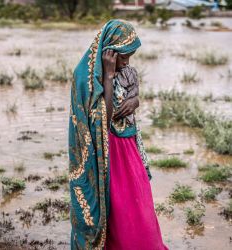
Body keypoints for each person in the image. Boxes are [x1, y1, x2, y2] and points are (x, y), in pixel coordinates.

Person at [68, 19, 168, 250]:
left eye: (130, 56)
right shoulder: (86, 78)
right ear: (108, 51)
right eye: (123, 56)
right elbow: (104, 117)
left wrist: (135, 101)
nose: (127, 62)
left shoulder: (128, 72)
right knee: (119, 206)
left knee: (139, 201)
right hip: (107, 152)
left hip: (128, 146)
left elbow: (134, 94)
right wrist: (109, 77)